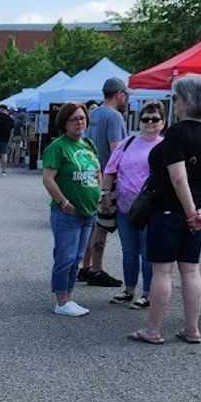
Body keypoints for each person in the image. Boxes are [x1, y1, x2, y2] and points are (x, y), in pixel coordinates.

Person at [130, 75, 201, 346]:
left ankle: (154, 329)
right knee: (191, 270)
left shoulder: (177, 132)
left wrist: (189, 211)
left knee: (162, 271)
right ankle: (192, 329)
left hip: (168, 210)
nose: (174, 103)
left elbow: (178, 177)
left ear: (187, 101)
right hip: (200, 212)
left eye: (176, 98)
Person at [101, 101, 165, 308]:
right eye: (145, 118)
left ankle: (147, 293)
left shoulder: (164, 146)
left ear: (163, 122)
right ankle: (129, 290)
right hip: (124, 206)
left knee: (147, 252)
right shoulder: (127, 143)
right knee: (129, 251)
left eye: (155, 119)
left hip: (149, 208)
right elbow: (110, 171)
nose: (150, 123)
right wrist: (105, 194)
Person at [41, 102, 101, 317]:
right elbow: (48, 179)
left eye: (82, 118)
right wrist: (63, 202)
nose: (79, 122)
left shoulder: (89, 145)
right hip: (67, 213)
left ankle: (69, 297)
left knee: (77, 257)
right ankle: (61, 300)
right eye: (74, 119)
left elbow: (96, 171)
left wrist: (100, 193)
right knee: (65, 256)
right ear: (64, 123)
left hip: (89, 211)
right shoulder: (58, 147)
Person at [79, 77, 128, 287]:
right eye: (125, 95)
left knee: (92, 225)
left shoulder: (94, 114)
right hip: (106, 178)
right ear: (119, 94)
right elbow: (116, 149)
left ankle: (86, 267)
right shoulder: (114, 117)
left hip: (90, 175)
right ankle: (96, 270)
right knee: (101, 226)